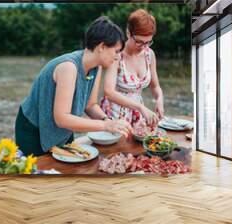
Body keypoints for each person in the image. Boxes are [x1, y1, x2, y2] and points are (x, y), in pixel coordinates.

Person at [15, 16, 133, 156]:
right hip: (34, 129)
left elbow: (91, 105)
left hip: (62, 130)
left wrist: (106, 120)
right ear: (102, 47)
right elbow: (62, 118)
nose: (118, 57)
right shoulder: (69, 67)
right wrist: (105, 126)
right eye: (116, 51)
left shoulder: (96, 67)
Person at [100, 9, 164, 131]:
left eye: (148, 42)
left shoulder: (149, 55)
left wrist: (159, 99)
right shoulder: (117, 55)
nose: (144, 47)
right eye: (139, 42)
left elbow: (155, 86)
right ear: (129, 33)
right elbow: (109, 92)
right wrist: (140, 107)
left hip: (138, 114)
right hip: (114, 114)